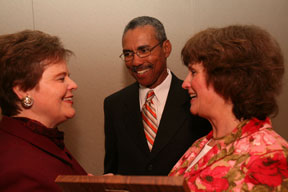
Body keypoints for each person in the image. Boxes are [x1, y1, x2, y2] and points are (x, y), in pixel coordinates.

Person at [169, 25, 288, 191]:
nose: (184, 83)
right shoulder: (200, 145)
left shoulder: (269, 155)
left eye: (193, 72)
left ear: (227, 79)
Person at [104, 16, 211, 175]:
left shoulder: (196, 98)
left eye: (143, 50)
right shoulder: (114, 105)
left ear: (166, 48)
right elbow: (111, 171)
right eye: (128, 54)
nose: (135, 62)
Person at [0, 30, 87, 191]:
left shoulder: (43, 140)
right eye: (61, 78)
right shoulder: (18, 169)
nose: (73, 84)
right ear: (22, 89)